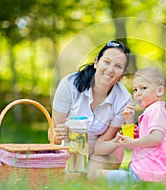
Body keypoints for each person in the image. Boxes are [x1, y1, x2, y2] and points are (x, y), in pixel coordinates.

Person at [51, 40, 132, 181]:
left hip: (103, 149)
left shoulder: (124, 99)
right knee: (72, 178)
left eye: (118, 66)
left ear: (123, 74)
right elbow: (52, 135)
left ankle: (132, 179)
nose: (110, 69)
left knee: (94, 176)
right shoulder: (69, 85)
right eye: (106, 62)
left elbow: (104, 141)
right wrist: (58, 135)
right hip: (73, 145)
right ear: (96, 63)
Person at [97, 67, 166, 184]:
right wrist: (129, 121)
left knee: (97, 174)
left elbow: (156, 138)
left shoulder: (156, 111)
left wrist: (132, 142)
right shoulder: (150, 111)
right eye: (135, 90)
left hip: (147, 174)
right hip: (146, 171)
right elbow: (136, 144)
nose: (138, 93)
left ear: (159, 91)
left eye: (143, 88)